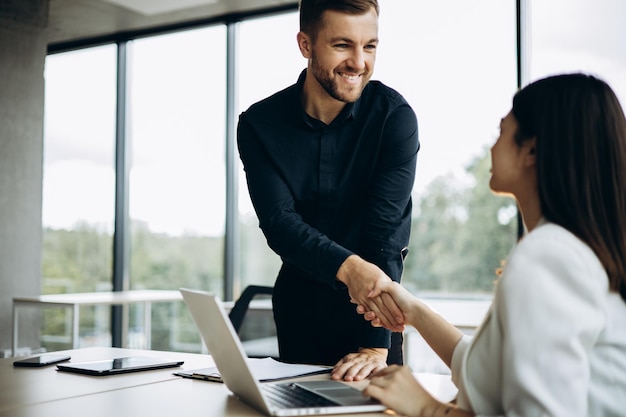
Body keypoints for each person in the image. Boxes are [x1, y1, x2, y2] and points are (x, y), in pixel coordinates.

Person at [358, 73, 626, 416]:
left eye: (502, 131)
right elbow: (484, 371)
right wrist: (413, 311)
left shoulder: (548, 257)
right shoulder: (571, 251)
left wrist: (425, 407)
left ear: (530, 149)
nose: (492, 145)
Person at [236, 0, 418, 381]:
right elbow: (280, 223)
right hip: (298, 314)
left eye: (369, 46)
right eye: (342, 45)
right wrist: (349, 269)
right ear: (305, 45)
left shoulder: (393, 118)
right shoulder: (259, 125)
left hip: (375, 320)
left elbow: (384, 233)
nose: (359, 62)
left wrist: (373, 343)